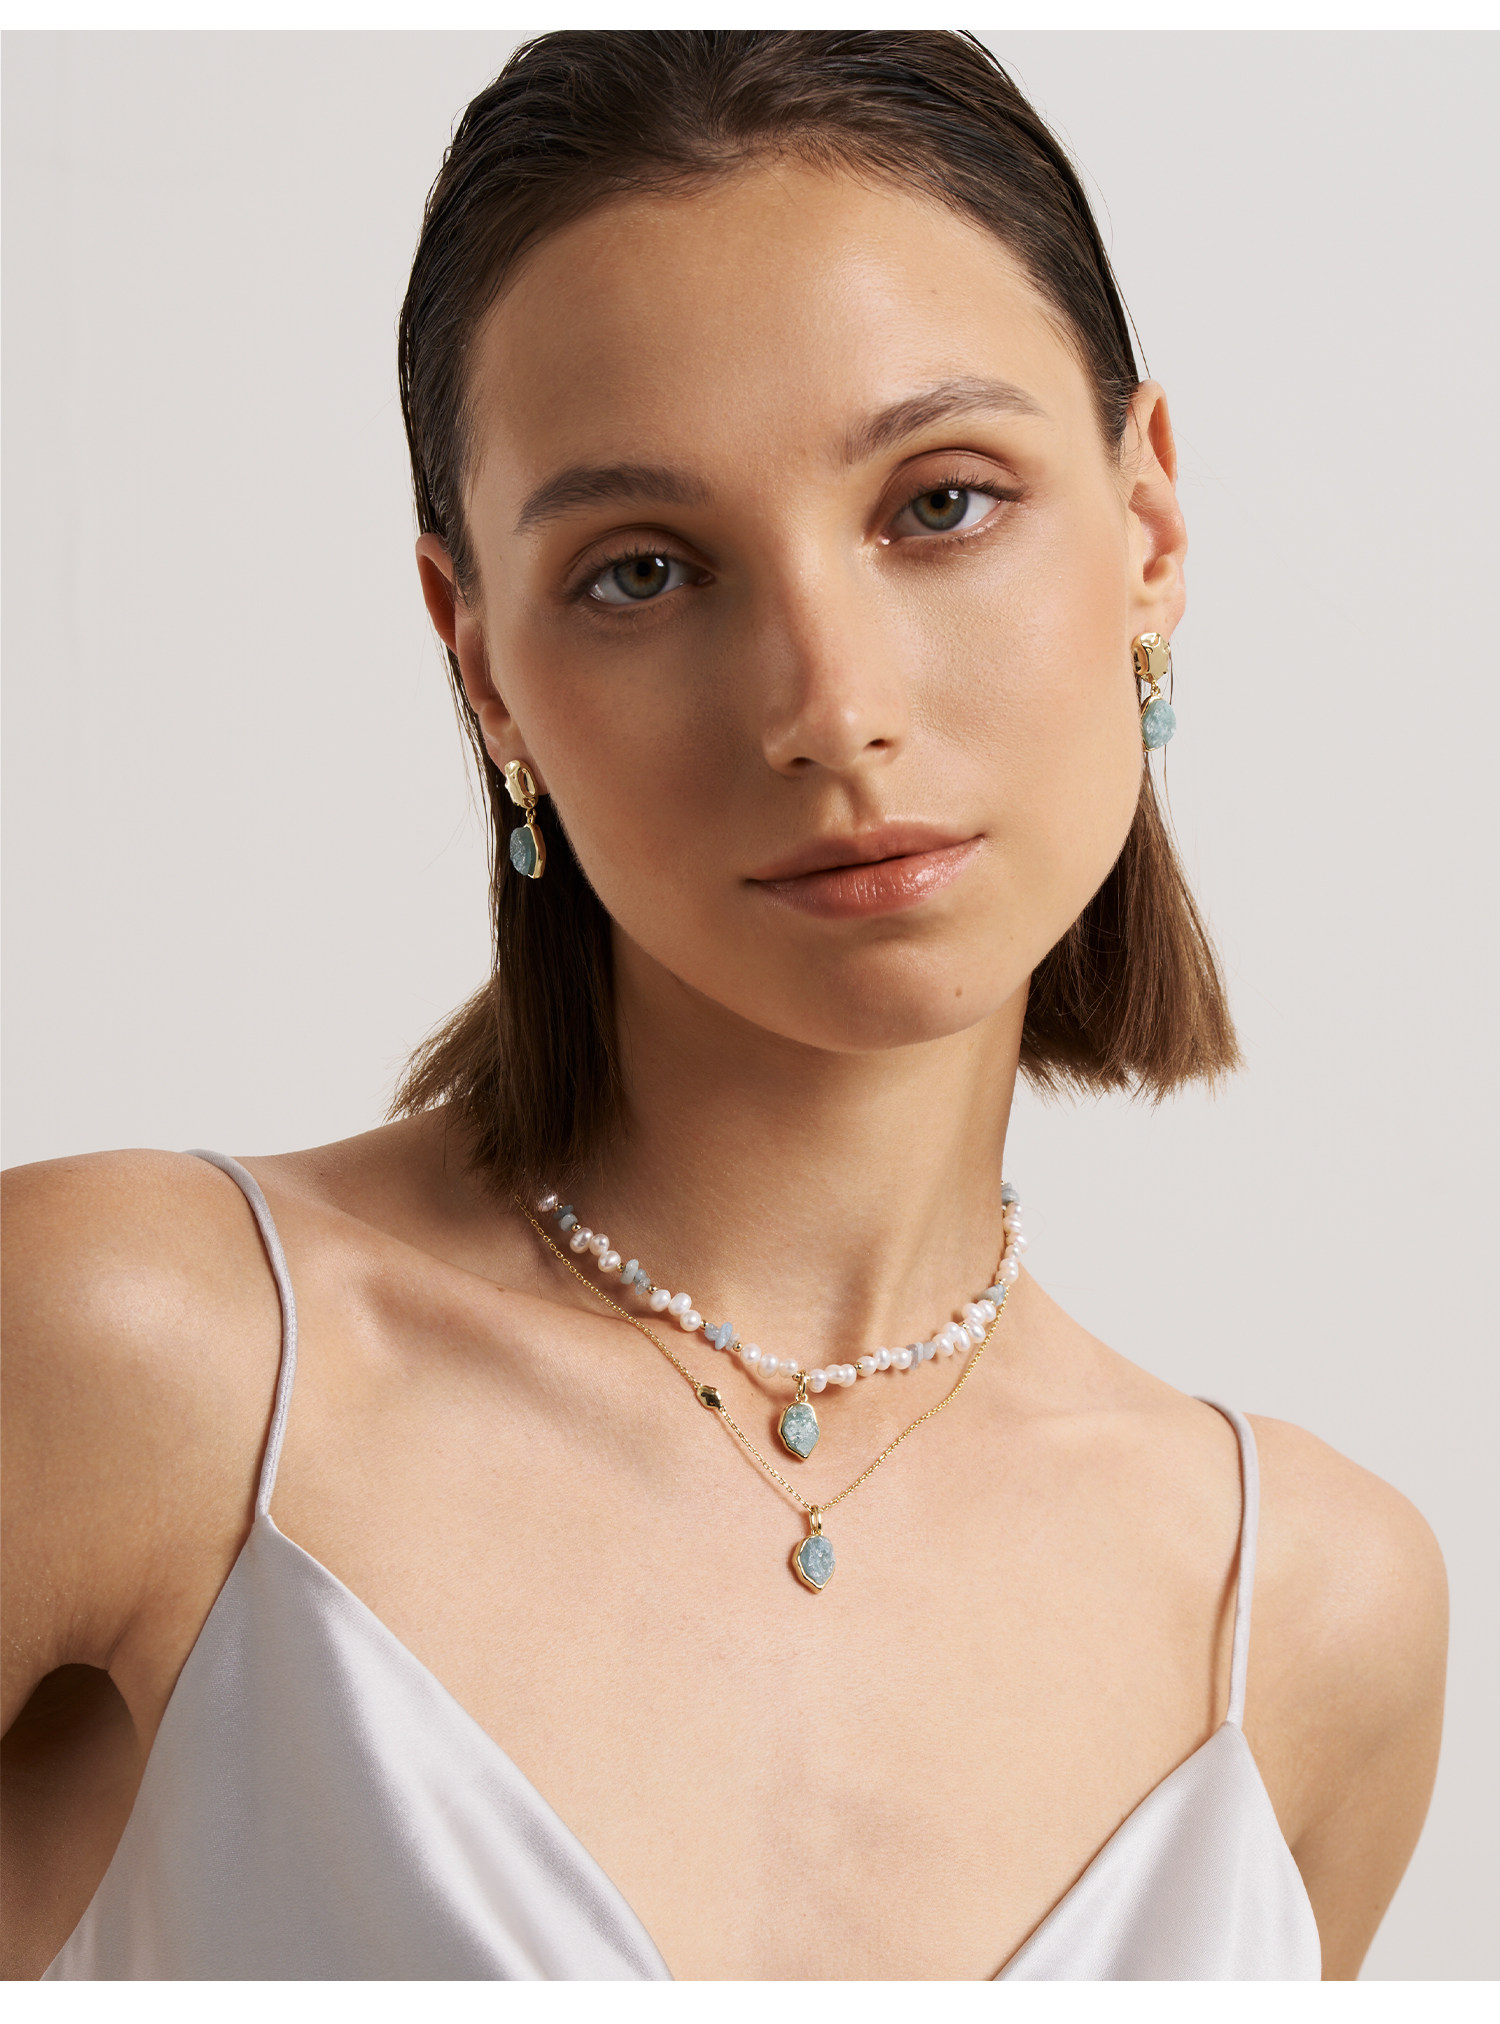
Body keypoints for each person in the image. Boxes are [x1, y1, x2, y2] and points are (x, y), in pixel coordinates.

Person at [2, 30, 1446, 1981]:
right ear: (481, 663)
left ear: (1150, 530)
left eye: (942, 503)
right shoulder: (139, 1360)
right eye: (645, 571)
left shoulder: (1313, 1619)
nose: (829, 707)